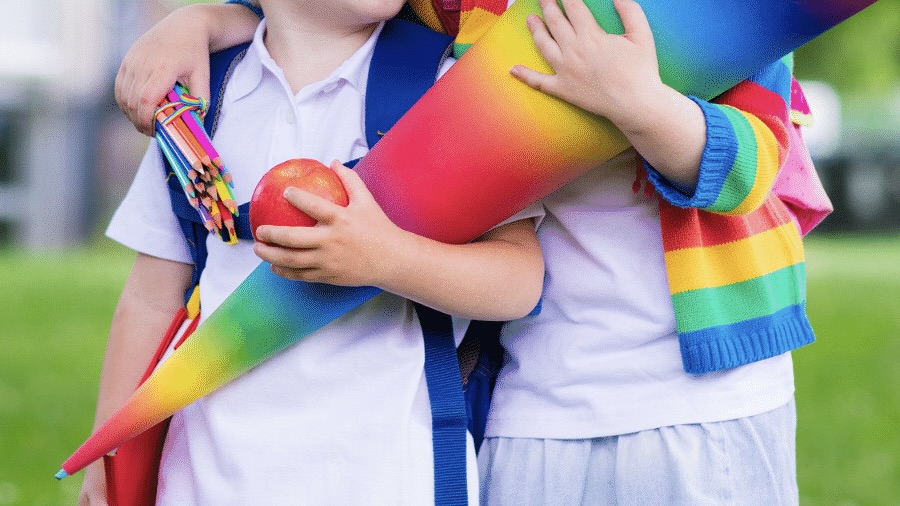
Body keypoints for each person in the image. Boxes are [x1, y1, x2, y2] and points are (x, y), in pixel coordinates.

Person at [113, 0, 821, 504]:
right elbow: (316, 16)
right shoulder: (456, 8)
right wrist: (198, 21)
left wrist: (637, 102)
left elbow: (752, 169)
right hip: (528, 398)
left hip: (701, 399)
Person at [81, 0, 545, 504]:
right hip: (200, 479)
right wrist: (106, 464)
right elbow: (150, 299)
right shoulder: (196, 102)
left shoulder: (446, 88)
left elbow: (519, 280)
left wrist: (387, 260)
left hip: (389, 480)